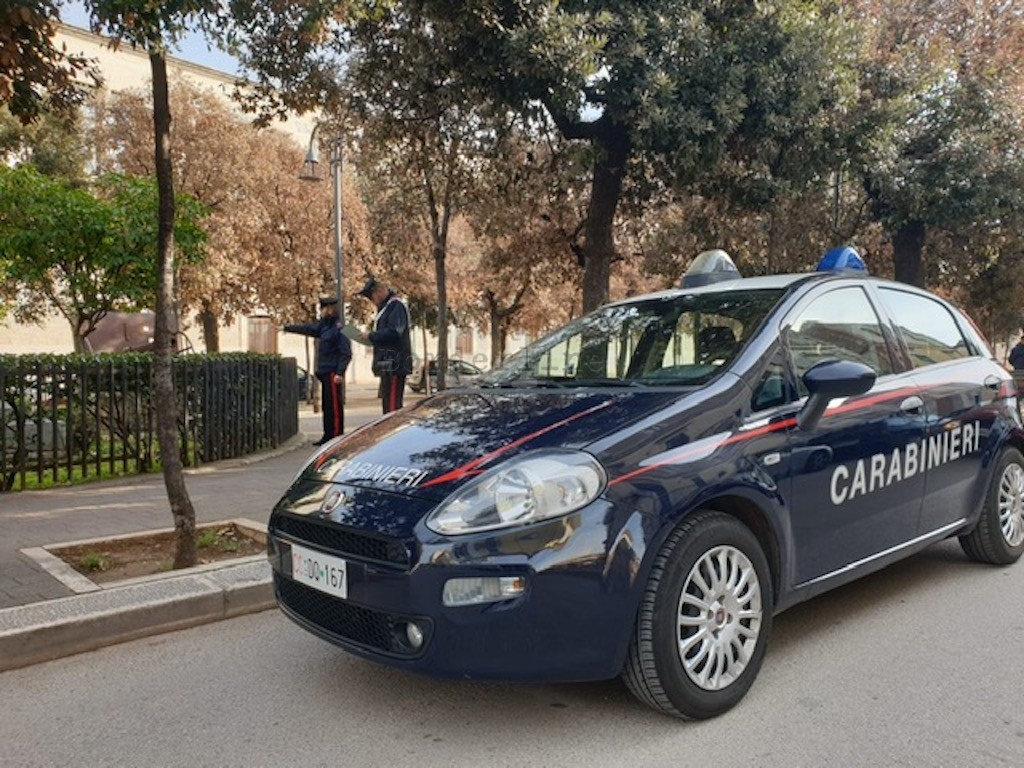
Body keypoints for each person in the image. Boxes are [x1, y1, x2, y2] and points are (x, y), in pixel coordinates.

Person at [283, 297, 352, 445]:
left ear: (330, 310)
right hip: (325, 371)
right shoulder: (324, 326)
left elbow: (346, 352)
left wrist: (340, 372)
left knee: (334, 407)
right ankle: (328, 435)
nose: (321, 312)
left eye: (323, 309)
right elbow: (308, 329)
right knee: (327, 406)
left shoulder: (339, 328)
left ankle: (336, 436)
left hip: (333, 372)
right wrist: (287, 328)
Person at [358, 277, 414, 413]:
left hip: (395, 363)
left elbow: (395, 331)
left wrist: (371, 336)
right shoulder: (387, 308)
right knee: (388, 406)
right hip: (388, 363)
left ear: (380, 291)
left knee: (393, 408)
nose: (373, 301)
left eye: (372, 297)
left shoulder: (396, 306)